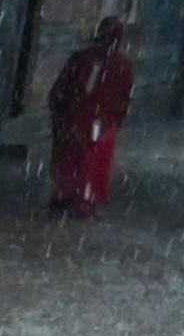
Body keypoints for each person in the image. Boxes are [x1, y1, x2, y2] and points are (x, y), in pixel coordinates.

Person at [49, 17, 136, 213]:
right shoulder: (122, 65)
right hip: (100, 121)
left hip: (75, 117)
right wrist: (115, 119)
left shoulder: (81, 59)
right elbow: (124, 97)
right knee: (91, 160)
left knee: (71, 157)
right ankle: (84, 200)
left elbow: (61, 89)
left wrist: (60, 110)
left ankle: (66, 194)